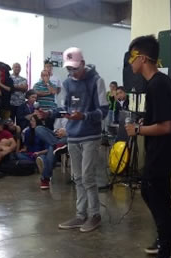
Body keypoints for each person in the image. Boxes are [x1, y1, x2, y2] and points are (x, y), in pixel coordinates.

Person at [125, 35, 171, 258]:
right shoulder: (162, 82)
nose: (130, 63)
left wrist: (139, 129)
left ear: (142, 58)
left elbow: (168, 126)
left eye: (132, 57)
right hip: (163, 153)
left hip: (160, 154)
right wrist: (150, 120)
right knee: (152, 195)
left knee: (159, 203)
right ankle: (164, 239)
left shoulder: (157, 85)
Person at [56, 47, 108, 234]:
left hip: (90, 136)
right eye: (69, 69)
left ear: (83, 64)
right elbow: (63, 107)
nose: (72, 72)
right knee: (77, 177)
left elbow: (104, 111)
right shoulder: (67, 83)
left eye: (75, 68)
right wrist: (52, 116)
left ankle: (95, 214)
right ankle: (80, 215)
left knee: (87, 177)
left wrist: (84, 116)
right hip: (73, 136)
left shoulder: (96, 81)